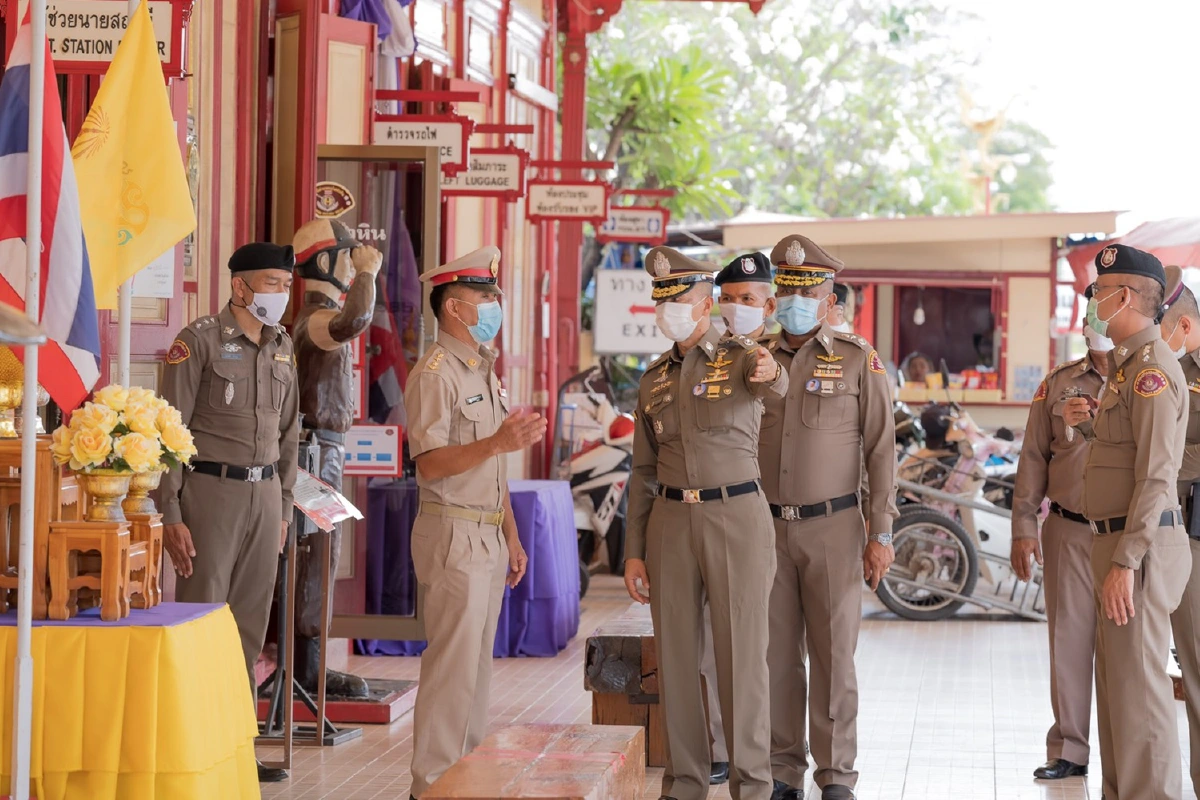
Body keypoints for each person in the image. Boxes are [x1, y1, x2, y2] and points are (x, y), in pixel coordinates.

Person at [624, 245, 787, 800]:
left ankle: (753, 784)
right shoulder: (653, 380)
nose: (672, 310)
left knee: (741, 657)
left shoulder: (743, 356)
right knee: (674, 659)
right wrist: (633, 550)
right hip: (670, 522)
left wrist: (773, 368)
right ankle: (685, 780)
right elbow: (641, 471)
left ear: (706, 304)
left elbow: (773, 380)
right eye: (663, 301)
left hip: (735, 515)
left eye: (684, 299)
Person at [160, 242, 301, 783]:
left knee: (247, 626)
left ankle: (237, 745)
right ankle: (192, 746)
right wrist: (170, 510)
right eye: (270, 282)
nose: (280, 294)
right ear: (239, 286)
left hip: (266, 497)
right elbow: (171, 432)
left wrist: (285, 505)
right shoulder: (197, 341)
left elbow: (291, 434)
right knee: (202, 620)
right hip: (210, 494)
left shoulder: (283, 346)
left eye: (285, 284)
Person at [761, 234, 896, 800]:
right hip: (764, 528)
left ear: (828, 299)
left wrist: (881, 531)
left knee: (836, 655)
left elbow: (881, 452)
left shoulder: (858, 360)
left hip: (835, 529)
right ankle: (782, 769)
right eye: (787, 291)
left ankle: (837, 773)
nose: (797, 302)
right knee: (775, 657)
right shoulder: (753, 360)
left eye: (808, 292)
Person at [404, 246, 540, 800]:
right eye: (486, 298)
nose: (494, 307)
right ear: (454, 307)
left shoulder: (482, 368)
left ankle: (464, 780)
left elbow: (493, 465)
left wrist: (510, 533)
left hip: (485, 531)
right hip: (452, 532)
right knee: (451, 672)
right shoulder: (435, 374)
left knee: (476, 673)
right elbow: (430, 464)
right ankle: (431, 785)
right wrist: (497, 441)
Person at [1062, 244, 1190, 800]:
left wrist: (1126, 561)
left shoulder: (1152, 373)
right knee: (1117, 697)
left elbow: (1157, 477)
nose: (1092, 303)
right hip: (1115, 543)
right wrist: (1088, 429)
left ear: (1127, 296)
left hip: (1139, 547)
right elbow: (1126, 457)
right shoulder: (1127, 369)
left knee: (1140, 698)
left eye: (1098, 293)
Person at [1009, 322, 1111, 781]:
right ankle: (1070, 749)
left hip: (1124, 536)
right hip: (1068, 528)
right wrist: (1023, 526)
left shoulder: (1145, 377)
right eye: (1093, 312)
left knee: (1125, 651)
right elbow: (1033, 456)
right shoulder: (1058, 383)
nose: (1100, 325)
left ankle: (1125, 748)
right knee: (1068, 642)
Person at [288, 218, 381, 698]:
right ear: (327, 261)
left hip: (324, 450)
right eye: (348, 254)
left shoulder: (314, 318)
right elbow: (354, 321)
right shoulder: (317, 318)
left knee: (321, 556)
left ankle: (308, 666)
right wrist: (368, 274)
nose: (355, 261)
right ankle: (305, 670)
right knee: (314, 555)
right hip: (314, 451)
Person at [696, 250, 778, 786]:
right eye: (726, 298)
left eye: (746, 300)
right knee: (704, 646)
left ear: (767, 305)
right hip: (704, 512)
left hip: (753, 512)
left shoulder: (763, 358)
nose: (734, 308)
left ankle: (768, 764)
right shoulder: (697, 356)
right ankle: (715, 747)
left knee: (751, 650)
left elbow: (772, 379)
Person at [1161, 264, 1200, 793]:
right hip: (1188, 527)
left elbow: (1171, 449)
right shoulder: (1182, 370)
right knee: (1192, 665)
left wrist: (1164, 462)